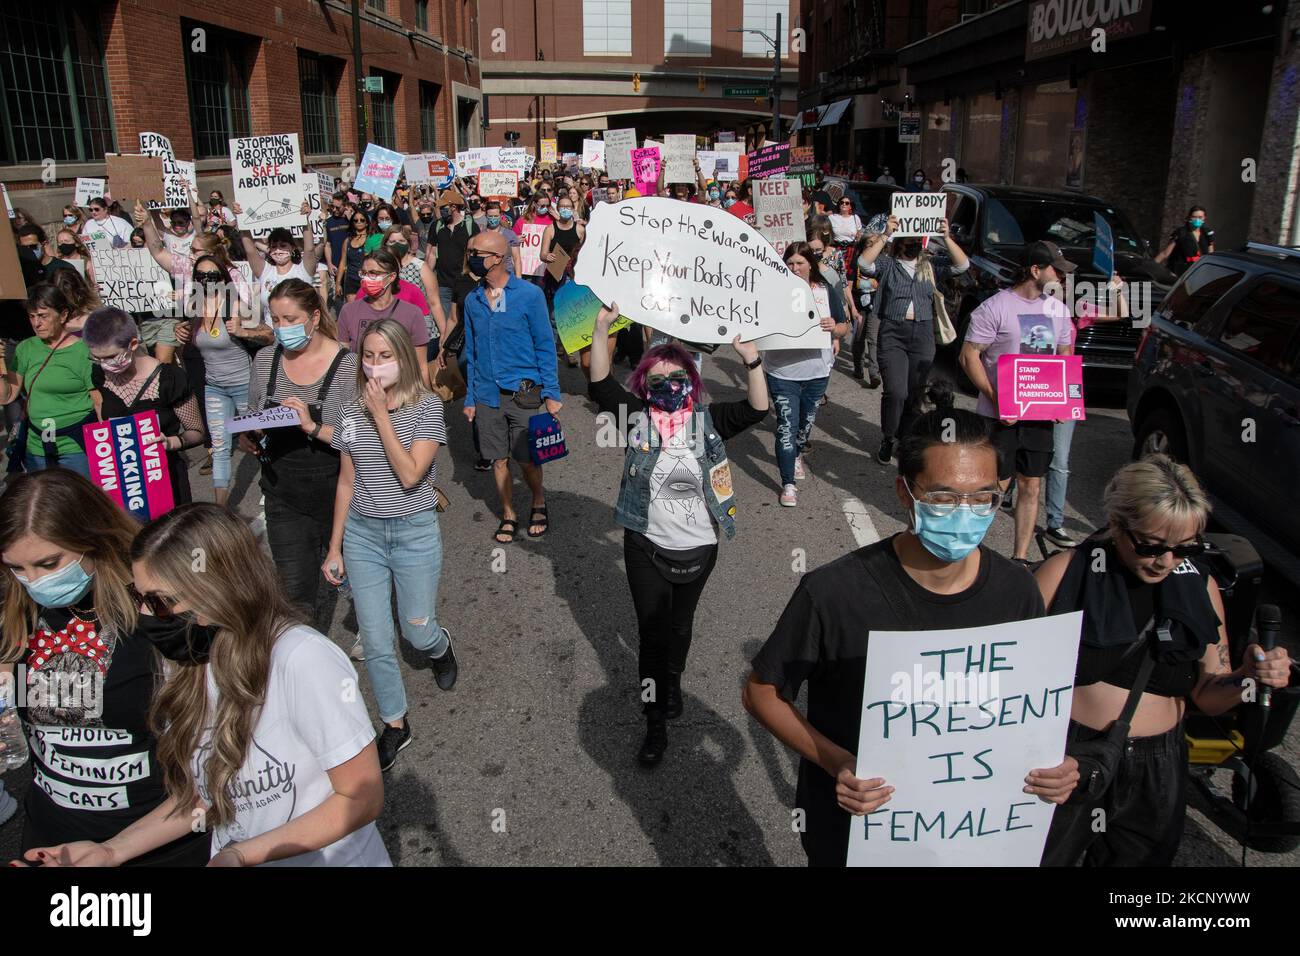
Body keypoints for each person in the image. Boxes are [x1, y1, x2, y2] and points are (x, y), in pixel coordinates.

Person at [743, 393, 1080, 866]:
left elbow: (1029, 710)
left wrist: (1057, 767)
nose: (965, 511)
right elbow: (762, 693)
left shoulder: (1017, 591)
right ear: (906, 492)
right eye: (943, 496)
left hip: (974, 832)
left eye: (983, 496)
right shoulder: (834, 592)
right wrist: (836, 761)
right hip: (858, 831)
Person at [20, 503, 391, 867]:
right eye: (139, 597)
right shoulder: (186, 663)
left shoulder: (302, 658)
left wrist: (242, 854)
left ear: (219, 588)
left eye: (161, 602)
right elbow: (206, 798)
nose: (145, 615)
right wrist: (111, 851)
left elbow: (360, 797)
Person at [1036, 455, 1292, 866]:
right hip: (1070, 755)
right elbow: (1004, 675)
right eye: (1151, 546)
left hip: (1160, 765)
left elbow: (1208, 695)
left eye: (1183, 547)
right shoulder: (1064, 573)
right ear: (1117, 524)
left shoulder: (1200, 585)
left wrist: (1248, 677)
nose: (1166, 561)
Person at [588, 301, 769, 765]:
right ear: (644, 385)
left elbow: (757, 409)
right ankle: (653, 723)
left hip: (700, 549)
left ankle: (672, 683)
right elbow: (600, 385)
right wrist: (603, 324)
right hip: (645, 544)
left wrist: (750, 358)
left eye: (677, 379)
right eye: (657, 381)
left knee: (680, 626)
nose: (668, 387)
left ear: (692, 381)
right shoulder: (637, 420)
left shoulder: (709, 422)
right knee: (652, 634)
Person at [0, 471, 212, 866]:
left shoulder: (159, 614)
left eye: (49, 563)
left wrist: (114, 850)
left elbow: (215, 772)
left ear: (92, 538)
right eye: (16, 567)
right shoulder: (19, 610)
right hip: (51, 844)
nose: (33, 582)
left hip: (159, 845)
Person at [322, 320, 456, 772]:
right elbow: (345, 481)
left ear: (404, 357)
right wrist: (335, 546)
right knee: (377, 641)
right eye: (368, 356)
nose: (375, 366)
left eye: (386, 356)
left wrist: (381, 415)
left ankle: (439, 647)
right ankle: (396, 724)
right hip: (363, 534)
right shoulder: (348, 411)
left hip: (413, 532)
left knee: (417, 630)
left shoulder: (426, 409)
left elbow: (410, 475)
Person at [239, 279, 355, 631]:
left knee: (348, 576)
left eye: (291, 319)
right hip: (282, 492)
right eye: (275, 319)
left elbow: (358, 441)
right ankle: (306, 657)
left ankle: (370, 620)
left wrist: (311, 426)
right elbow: (253, 410)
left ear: (315, 317)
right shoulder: (264, 360)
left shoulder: (347, 365)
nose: (282, 328)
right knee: (294, 590)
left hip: (338, 490)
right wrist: (250, 433)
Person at [959, 240, 1075, 564]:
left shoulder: (1059, 311)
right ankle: (970, 550)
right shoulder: (995, 307)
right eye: (1057, 270)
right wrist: (998, 401)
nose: (1062, 278)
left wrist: (1063, 400)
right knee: (995, 485)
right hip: (999, 415)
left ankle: (1020, 558)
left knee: (1032, 484)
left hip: (1039, 414)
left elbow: (1064, 356)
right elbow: (969, 356)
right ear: (1035, 270)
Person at [462, 230, 561, 542]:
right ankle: (508, 512)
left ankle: (538, 500)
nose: (470, 258)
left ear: (496, 258)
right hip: (487, 393)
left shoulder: (529, 295)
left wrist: (552, 392)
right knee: (498, 458)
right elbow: (472, 353)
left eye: (475, 252)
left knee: (527, 459)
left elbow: (545, 345)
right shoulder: (472, 299)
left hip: (525, 390)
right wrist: (469, 398)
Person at [859, 215, 971, 465]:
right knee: (896, 392)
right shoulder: (888, 264)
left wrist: (946, 237)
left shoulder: (930, 265)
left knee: (914, 393)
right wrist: (886, 234)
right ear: (900, 241)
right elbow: (864, 264)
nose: (913, 243)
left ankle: (905, 437)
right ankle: (888, 436)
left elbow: (962, 266)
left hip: (922, 334)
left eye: (916, 239)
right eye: (908, 239)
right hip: (893, 332)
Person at [83, 308, 204, 506]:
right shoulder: (100, 374)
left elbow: (197, 432)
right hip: (126, 483)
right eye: (97, 358)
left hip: (165, 481)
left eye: (110, 357)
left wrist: (171, 442)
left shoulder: (170, 379)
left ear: (132, 344)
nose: (104, 364)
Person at [1043, 274, 1129, 548]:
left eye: (1065, 284)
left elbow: (1121, 314)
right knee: (1019, 449)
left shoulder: (1075, 312)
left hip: (1063, 386)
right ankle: (1007, 493)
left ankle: (1054, 523)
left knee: (1060, 459)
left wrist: (1116, 290)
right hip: (1030, 382)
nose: (1062, 287)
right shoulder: (1029, 307)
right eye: (1057, 282)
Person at [765, 242, 849, 508]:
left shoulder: (825, 291)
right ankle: (788, 483)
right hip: (782, 371)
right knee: (786, 427)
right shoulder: (772, 292)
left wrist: (834, 328)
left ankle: (798, 453)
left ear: (811, 264)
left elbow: (844, 327)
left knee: (805, 425)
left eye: (800, 263)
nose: (795, 268)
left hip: (817, 370)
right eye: (789, 264)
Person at [184, 254, 272, 507]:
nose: (206, 280)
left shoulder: (237, 305)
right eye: (200, 276)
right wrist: (183, 334)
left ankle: (274, 490)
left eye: (212, 275)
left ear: (223, 278)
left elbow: (269, 335)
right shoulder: (195, 309)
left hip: (245, 385)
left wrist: (244, 331)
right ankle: (220, 510)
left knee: (258, 440)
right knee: (220, 447)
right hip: (214, 387)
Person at [0, 284, 94, 477]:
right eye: (32, 316)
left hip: (76, 445)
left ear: (63, 315)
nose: (36, 323)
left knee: (78, 503)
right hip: (37, 445)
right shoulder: (26, 348)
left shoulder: (83, 350)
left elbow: (98, 399)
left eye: (43, 316)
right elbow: (7, 396)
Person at [337, 249, 431, 364]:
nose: (366, 278)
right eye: (364, 273)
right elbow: (343, 359)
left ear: (391, 276)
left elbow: (421, 366)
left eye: (373, 273)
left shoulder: (412, 313)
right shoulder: (348, 311)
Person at [421, 189, 477, 328]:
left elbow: (476, 253)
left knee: (464, 320)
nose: (441, 210)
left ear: (453, 207)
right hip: (443, 283)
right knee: (445, 322)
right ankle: (446, 347)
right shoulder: (437, 225)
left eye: (444, 207)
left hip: (464, 281)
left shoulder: (470, 227)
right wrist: (426, 275)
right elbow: (432, 253)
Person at [844, 216, 889, 388]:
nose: (872, 247)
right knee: (858, 339)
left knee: (873, 338)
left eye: (875, 244)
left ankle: (874, 373)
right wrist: (852, 308)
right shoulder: (856, 262)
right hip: (859, 305)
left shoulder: (881, 263)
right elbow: (849, 284)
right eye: (869, 244)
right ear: (863, 245)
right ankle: (858, 366)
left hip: (875, 306)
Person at [1155, 205, 1214, 278]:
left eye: (1200, 217)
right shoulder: (1181, 233)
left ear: (1204, 218)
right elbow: (1165, 253)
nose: (1197, 220)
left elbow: (1210, 255)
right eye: (1194, 217)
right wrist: (1151, 266)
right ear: (1189, 218)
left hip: (1198, 274)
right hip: (1180, 274)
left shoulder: (1207, 233)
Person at [336, 208, 377, 303]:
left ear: (367, 223)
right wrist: (338, 283)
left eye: (362, 220)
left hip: (367, 279)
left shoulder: (371, 239)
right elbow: (342, 263)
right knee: (353, 308)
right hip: (351, 279)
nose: (359, 222)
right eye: (355, 220)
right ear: (353, 223)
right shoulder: (347, 241)